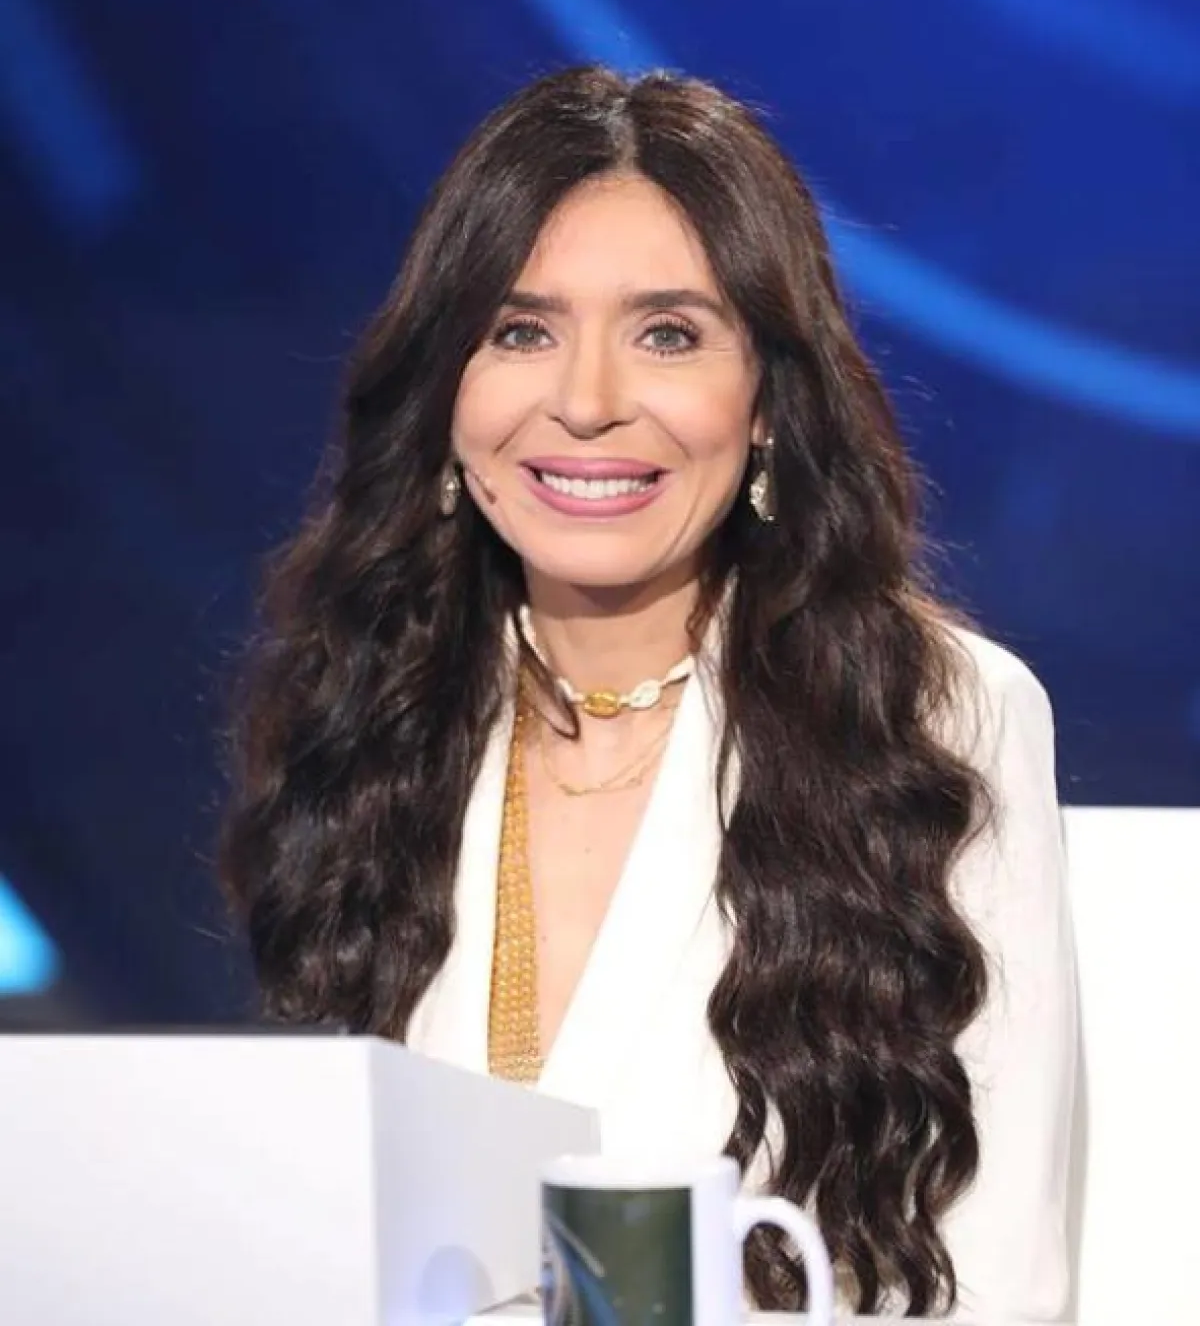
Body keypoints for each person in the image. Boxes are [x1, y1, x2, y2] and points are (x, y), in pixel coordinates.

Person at [221, 66, 1077, 1318]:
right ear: (447, 390)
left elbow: (990, 1279)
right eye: (522, 331)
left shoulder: (930, 716)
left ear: (769, 400)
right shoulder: (375, 704)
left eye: (667, 333)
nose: (587, 403)